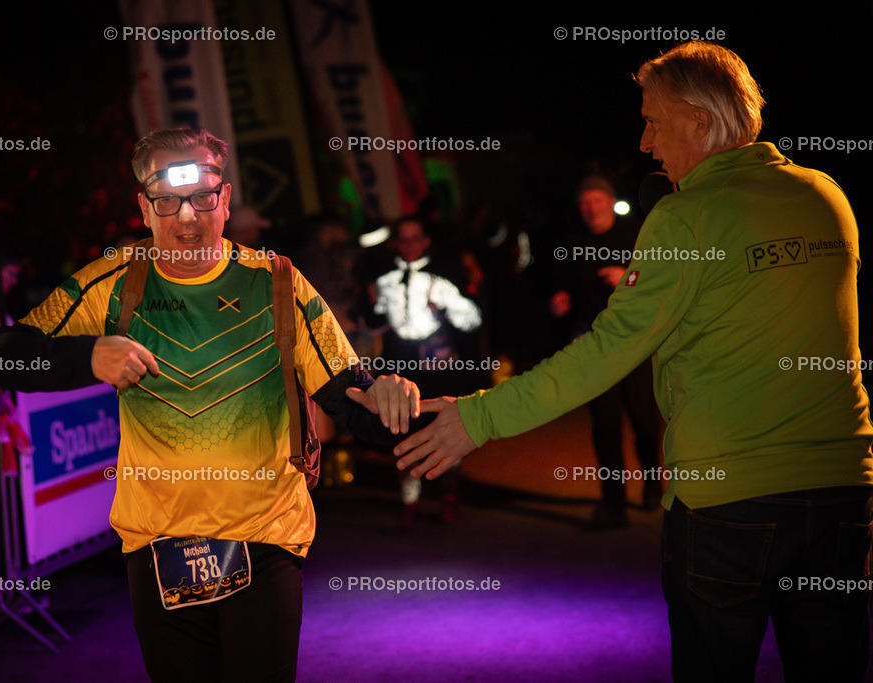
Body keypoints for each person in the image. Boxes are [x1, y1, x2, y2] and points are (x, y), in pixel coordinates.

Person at [396, 41, 873, 681]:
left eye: (652, 121)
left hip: (728, 502)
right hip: (844, 491)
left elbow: (606, 350)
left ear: (700, 122)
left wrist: (479, 419)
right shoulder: (826, 194)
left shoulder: (687, 217)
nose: (645, 143)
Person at [0, 127, 420, 682]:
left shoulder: (279, 284)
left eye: (202, 197)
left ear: (226, 200)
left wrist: (390, 398)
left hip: (264, 538)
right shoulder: (114, 282)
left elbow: (350, 396)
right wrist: (88, 355)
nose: (187, 218)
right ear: (144, 207)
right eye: (167, 201)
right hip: (157, 543)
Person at [550, 176, 663, 529]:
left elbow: (664, 280)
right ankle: (613, 504)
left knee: (646, 424)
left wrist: (628, 275)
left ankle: (653, 484)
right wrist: (559, 300)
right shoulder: (573, 241)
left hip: (636, 344)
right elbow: (560, 283)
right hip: (595, 349)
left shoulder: (637, 234)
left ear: (610, 201)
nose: (591, 209)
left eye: (598, 201)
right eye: (586, 203)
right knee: (605, 427)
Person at [366, 216, 482, 526]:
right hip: (399, 365)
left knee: (445, 429)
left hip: (438, 368)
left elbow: (472, 320)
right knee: (401, 430)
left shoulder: (443, 277)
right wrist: (370, 305)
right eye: (403, 240)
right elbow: (368, 323)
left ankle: (448, 497)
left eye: (415, 238)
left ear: (425, 241)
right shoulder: (384, 280)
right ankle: (409, 502)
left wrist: (445, 309)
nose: (409, 246)